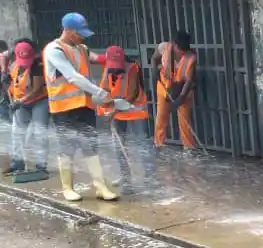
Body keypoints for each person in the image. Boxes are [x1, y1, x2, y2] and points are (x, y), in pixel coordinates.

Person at [42, 12, 118, 202]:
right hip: (63, 108)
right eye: (79, 33)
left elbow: (94, 59)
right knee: (67, 147)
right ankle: (68, 188)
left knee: (91, 146)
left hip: (84, 105)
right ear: (67, 30)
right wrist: (102, 94)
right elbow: (73, 77)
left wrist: (109, 58)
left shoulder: (82, 48)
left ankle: (100, 187)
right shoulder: (54, 49)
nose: (82, 37)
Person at [97, 45, 155, 193]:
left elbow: (132, 94)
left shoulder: (133, 68)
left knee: (142, 145)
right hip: (117, 114)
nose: (116, 69)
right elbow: (103, 92)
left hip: (135, 111)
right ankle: (126, 178)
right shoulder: (107, 70)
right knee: (119, 146)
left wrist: (114, 110)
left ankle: (150, 180)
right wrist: (105, 110)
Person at [5, 39, 49, 177]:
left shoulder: (37, 65)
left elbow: (36, 89)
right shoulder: (12, 61)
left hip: (39, 101)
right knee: (17, 133)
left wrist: (20, 101)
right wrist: (4, 75)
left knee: (40, 132)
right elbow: (4, 60)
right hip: (19, 102)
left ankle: (41, 166)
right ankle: (17, 164)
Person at [152, 30, 198, 150]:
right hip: (164, 88)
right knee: (161, 117)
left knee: (184, 120)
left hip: (183, 91)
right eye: (180, 49)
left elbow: (189, 80)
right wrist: (155, 71)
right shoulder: (164, 47)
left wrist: (180, 98)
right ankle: (158, 144)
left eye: (184, 50)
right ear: (174, 44)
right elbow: (154, 58)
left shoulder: (191, 58)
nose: (182, 52)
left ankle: (189, 148)